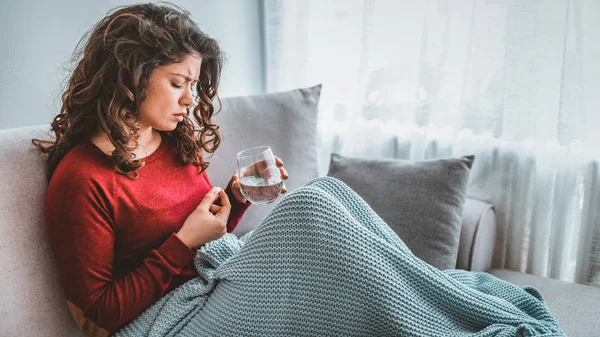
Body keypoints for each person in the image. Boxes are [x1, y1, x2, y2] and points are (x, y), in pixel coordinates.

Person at [32, 3, 288, 336]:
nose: (190, 101)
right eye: (178, 83)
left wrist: (235, 198)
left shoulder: (173, 140)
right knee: (313, 206)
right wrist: (183, 242)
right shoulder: (82, 179)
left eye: (193, 86)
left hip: (214, 284)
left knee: (321, 200)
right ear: (133, 75)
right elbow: (98, 316)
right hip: (170, 321)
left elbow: (205, 240)